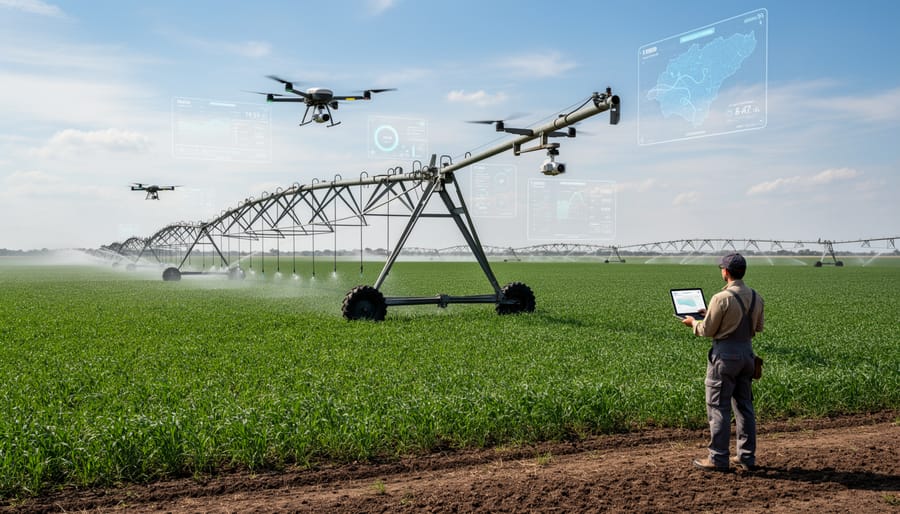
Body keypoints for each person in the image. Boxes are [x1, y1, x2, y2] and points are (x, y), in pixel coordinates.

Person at [682, 253, 764, 472]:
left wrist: (693, 322)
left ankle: (718, 459)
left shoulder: (721, 298)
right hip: (747, 355)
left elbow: (707, 330)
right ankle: (746, 457)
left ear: (726, 272)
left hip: (725, 358)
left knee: (718, 407)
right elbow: (757, 327)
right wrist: (711, 314)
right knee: (744, 407)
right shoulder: (756, 297)